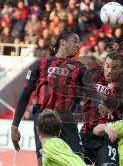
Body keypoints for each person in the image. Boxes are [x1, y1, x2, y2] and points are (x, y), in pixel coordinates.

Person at [11, 31, 103, 166]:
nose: (78, 45)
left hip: (65, 117)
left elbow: (93, 93)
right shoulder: (40, 64)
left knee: (78, 159)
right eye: (75, 41)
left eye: (79, 42)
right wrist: (15, 126)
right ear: (62, 42)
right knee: (44, 161)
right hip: (43, 117)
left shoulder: (80, 68)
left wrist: (101, 105)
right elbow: (25, 95)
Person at [80, 52, 123, 166]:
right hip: (87, 130)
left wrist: (109, 101)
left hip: (109, 135)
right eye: (107, 66)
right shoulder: (94, 73)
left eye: (114, 68)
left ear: (121, 69)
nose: (109, 70)